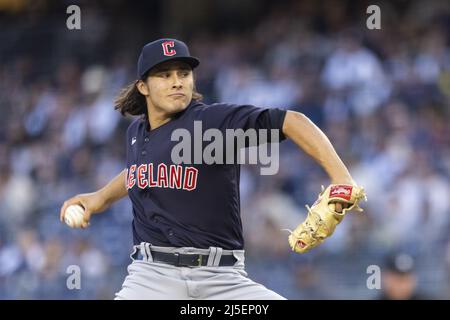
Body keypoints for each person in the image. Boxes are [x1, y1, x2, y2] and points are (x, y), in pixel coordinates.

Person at [60, 38, 362, 300]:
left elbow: (293, 121)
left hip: (221, 278)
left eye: (184, 73)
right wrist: (98, 198)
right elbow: (142, 171)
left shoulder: (211, 124)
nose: (177, 81)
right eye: (164, 75)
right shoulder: (136, 132)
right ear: (143, 87)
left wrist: (341, 178)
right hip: (152, 278)